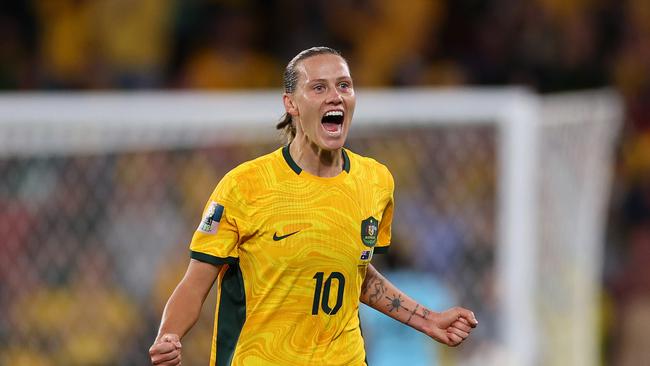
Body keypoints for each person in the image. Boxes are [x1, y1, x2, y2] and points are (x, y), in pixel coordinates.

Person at [149, 46, 478, 366]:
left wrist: (428, 320)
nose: (335, 95)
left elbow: (354, 273)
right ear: (290, 103)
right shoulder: (245, 185)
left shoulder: (376, 181)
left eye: (344, 85)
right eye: (318, 87)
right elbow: (195, 283)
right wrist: (168, 335)